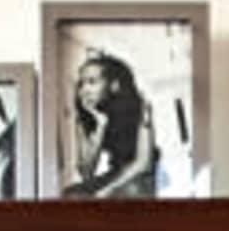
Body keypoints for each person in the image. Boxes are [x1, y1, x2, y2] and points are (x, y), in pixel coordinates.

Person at [62, 49, 159, 199]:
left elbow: (143, 163)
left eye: (92, 82)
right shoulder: (83, 116)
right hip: (116, 172)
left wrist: (107, 191)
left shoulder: (140, 106)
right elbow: (86, 172)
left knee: (131, 191)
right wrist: (101, 125)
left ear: (114, 85)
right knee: (71, 194)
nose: (85, 90)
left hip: (142, 175)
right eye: (81, 84)